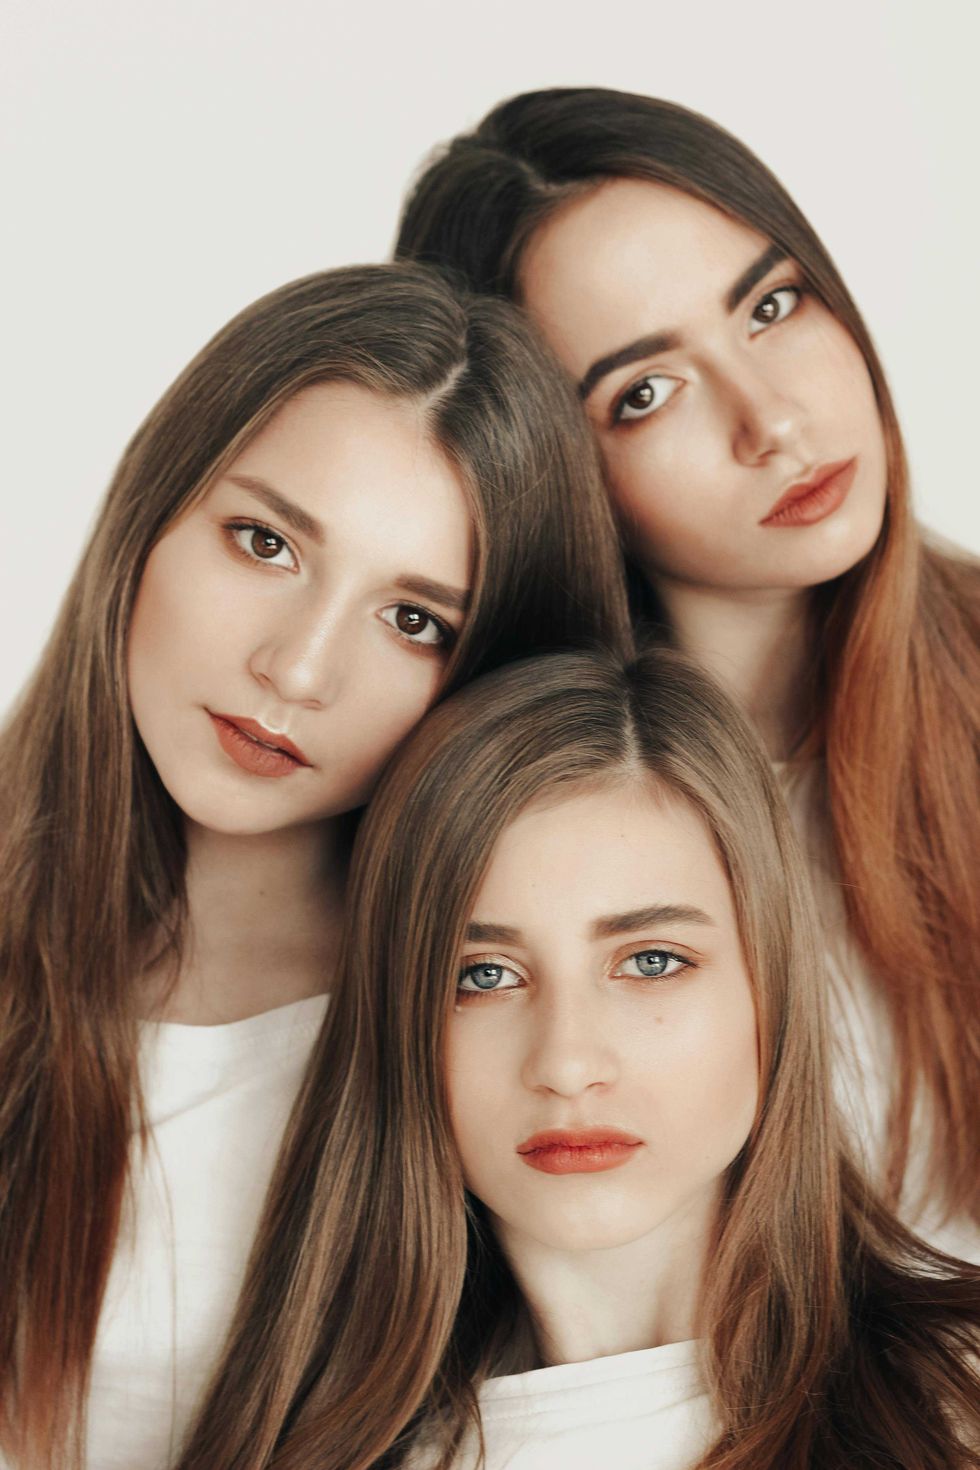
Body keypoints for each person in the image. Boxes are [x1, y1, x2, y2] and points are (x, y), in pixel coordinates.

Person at [0, 262, 631, 1470]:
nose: (296, 670)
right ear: (150, 512)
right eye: (264, 542)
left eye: (414, 621)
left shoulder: (498, 1045)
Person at [393, 88, 980, 1256]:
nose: (770, 419)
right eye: (643, 392)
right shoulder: (505, 823)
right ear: (548, 468)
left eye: (771, 305)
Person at [174, 645, 980, 1470]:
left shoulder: (956, 1402)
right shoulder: (302, 1441)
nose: (565, 1063)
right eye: (485, 976)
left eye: (651, 962)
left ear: (769, 984)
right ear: (401, 1020)